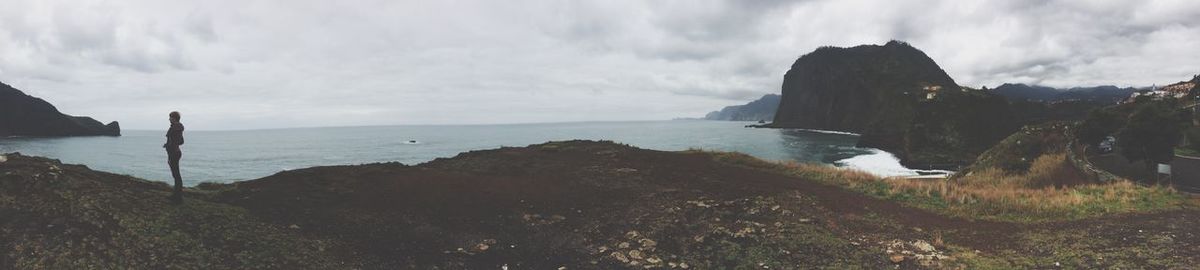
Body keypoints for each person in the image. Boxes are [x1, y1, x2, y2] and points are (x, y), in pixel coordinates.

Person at [164, 111, 185, 204]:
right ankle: (176, 195)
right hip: (175, 152)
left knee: (176, 175)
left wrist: (170, 145)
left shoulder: (175, 128)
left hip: (174, 153)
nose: (169, 119)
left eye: (170, 117)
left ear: (174, 118)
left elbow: (176, 142)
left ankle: (178, 198)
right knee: (176, 175)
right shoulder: (177, 128)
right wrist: (168, 144)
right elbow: (181, 141)